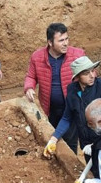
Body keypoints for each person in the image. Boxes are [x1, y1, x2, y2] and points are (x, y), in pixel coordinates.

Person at [23, 23, 85, 151]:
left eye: (67, 39)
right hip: (49, 108)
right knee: (52, 135)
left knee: (70, 141)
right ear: (50, 42)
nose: (65, 43)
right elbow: (31, 76)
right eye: (61, 40)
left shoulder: (77, 55)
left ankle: (70, 164)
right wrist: (29, 87)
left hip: (71, 107)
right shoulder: (37, 57)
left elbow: (91, 74)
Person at [43, 56, 101, 159]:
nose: (92, 76)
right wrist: (54, 138)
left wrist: (98, 145)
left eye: (92, 71)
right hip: (86, 143)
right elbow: (67, 118)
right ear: (77, 77)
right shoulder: (72, 90)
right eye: (86, 73)